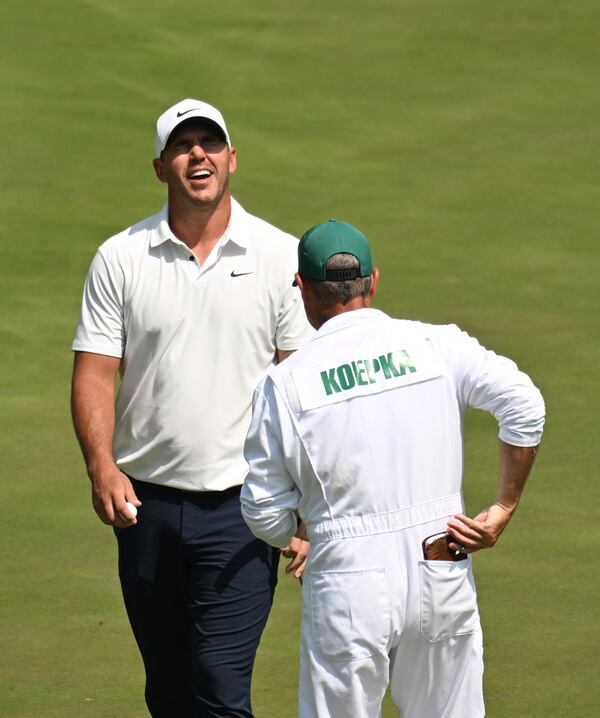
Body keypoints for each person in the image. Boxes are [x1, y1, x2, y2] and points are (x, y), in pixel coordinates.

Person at [240, 219, 545, 718]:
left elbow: (261, 511)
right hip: (441, 558)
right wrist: (503, 505)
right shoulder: (436, 344)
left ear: (302, 288)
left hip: (346, 575)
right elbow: (525, 406)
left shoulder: (283, 383)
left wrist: (300, 532)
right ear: (373, 281)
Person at [70, 98, 313, 718]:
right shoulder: (120, 257)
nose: (197, 155)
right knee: (170, 687)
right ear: (161, 167)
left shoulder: (280, 256)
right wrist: (102, 466)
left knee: (220, 686)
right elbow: (96, 373)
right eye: (182, 146)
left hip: (243, 507)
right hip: (143, 506)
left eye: (210, 143)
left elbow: (303, 390)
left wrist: (309, 505)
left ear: (233, 158)